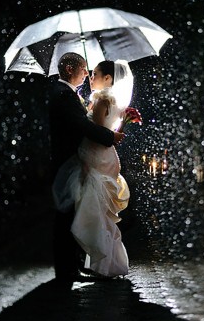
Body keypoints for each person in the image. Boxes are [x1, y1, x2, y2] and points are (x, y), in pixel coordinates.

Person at [53, 59, 137, 278]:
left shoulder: (100, 99)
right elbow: (96, 128)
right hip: (102, 156)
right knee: (98, 211)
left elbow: (93, 129)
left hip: (95, 156)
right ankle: (97, 261)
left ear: (108, 79)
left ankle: (95, 261)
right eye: (88, 73)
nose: (90, 78)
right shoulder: (107, 99)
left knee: (93, 210)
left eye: (95, 74)